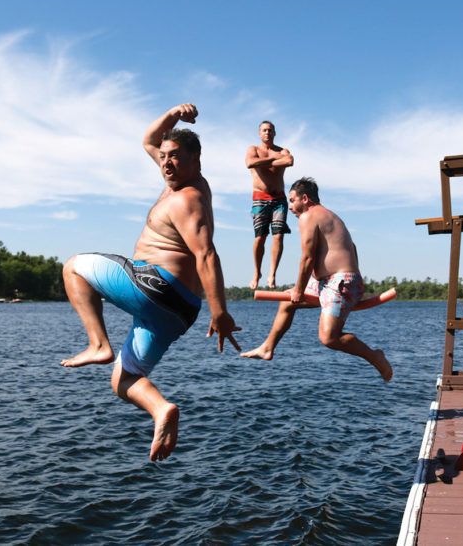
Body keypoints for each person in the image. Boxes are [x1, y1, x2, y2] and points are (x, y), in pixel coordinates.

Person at [60, 103, 241, 462]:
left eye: (175, 157)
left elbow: (206, 254)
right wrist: (174, 114)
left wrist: (220, 312)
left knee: (73, 268)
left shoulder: (187, 199)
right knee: (123, 381)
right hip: (177, 311)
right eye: (164, 157)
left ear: (196, 161)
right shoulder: (186, 184)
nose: (166, 162)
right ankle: (161, 409)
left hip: (155, 286)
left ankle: (98, 344)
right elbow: (149, 139)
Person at [241, 177, 393, 382]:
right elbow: (353, 248)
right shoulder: (330, 216)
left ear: (305, 199)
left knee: (328, 337)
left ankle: (375, 356)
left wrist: (302, 288)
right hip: (332, 281)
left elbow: (308, 258)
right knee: (286, 302)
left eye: (292, 200)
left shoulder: (309, 216)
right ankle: (267, 348)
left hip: (339, 282)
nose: (291, 206)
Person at [245, 121, 294, 289]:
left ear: (274, 133)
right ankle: (256, 272)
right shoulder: (253, 150)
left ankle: (272, 273)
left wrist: (265, 161)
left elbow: (289, 160)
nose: (267, 133)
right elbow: (250, 163)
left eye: (270, 130)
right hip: (260, 198)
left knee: (278, 236)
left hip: (279, 198)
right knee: (260, 237)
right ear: (259, 133)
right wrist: (273, 159)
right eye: (264, 130)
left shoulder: (283, 150)